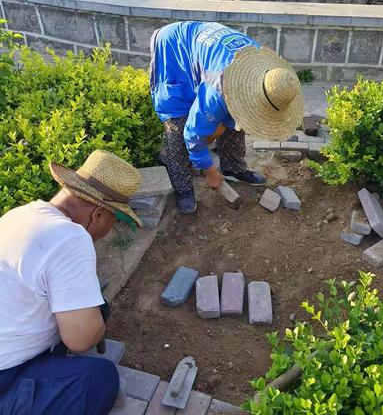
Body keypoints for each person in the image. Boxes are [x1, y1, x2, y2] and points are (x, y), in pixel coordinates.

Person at [0, 149, 142, 415]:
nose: (110, 227)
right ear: (98, 214)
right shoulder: (70, 238)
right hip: (5, 375)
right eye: (115, 218)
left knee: (94, 307)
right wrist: (95, 330)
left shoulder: (21, 214)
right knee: (100, 378)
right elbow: (81, 340)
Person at [150, 21, 304, 214]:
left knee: (238, 118)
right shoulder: (219, 89)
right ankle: (183, 187)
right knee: (178, 124)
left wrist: (223, 125)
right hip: (175, 47)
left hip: (208, 50)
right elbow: (193, 134)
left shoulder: (269, 73)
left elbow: (239, 115)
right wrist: (210, 171)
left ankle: (233, 168)